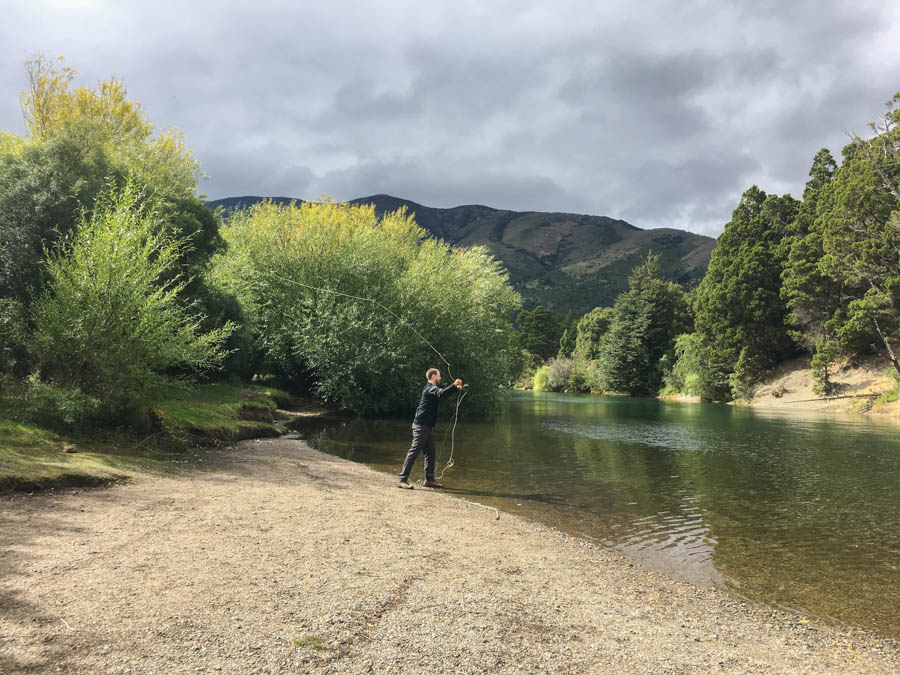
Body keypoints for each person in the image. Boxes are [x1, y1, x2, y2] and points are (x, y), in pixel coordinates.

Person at [398, 368, 463, 489]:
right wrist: (454, 385)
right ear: (433, 376)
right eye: (439, 376)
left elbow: (442, 393)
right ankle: (402, 479)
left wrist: (455, 388)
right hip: (421, 426)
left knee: (431, 452)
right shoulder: (430, 388)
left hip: (426, 426)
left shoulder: (432, 389)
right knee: (414, 451)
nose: (440, 378)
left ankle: (429, 480)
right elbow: (441, 393)